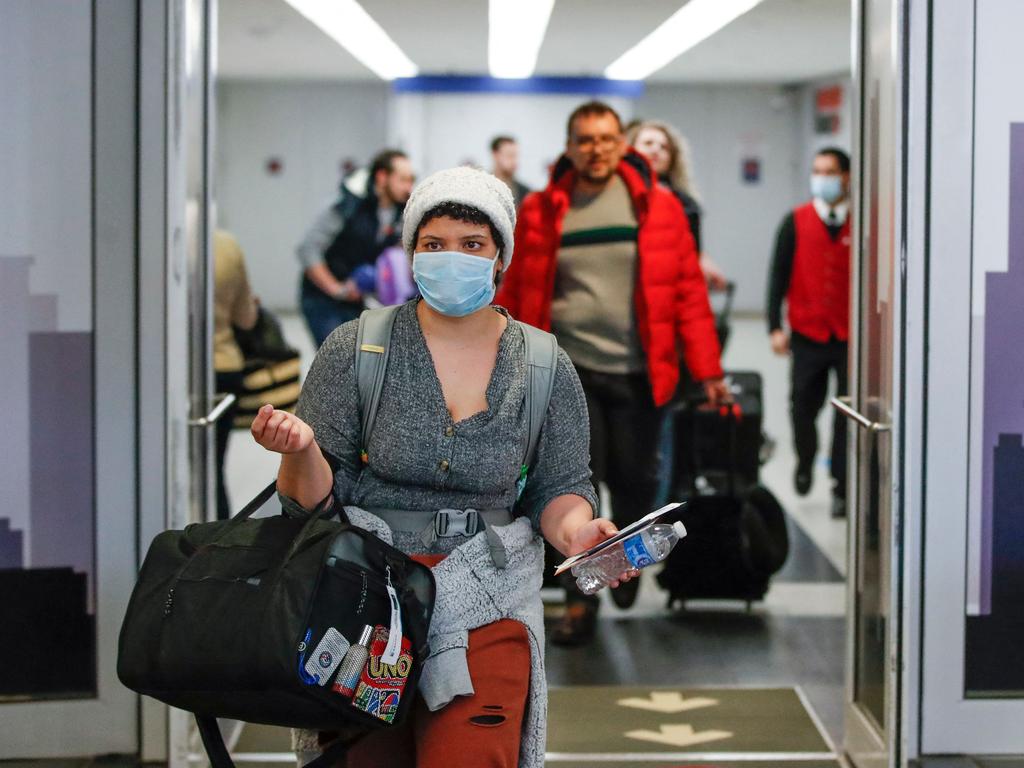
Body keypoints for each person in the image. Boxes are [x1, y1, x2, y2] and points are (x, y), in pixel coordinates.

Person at [251, 166, 635, 767]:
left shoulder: (542, 362)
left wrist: (578, 533)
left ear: (500, 257)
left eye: (472, 244)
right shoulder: (357, 348)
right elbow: (310, 506)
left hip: (489, 600)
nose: (451, 257)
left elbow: (560, 485)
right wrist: (300, 451)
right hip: (366, 604)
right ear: (410, 252)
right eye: (433, 244)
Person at [495, 101, 727, 645]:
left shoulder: (659, 205)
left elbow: (688, 290)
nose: (595, 149)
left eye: (606, 139)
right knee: (577, 486)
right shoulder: (544, 209)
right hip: (567, 373)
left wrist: (709, 369)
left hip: (641, 371)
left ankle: (626, 554)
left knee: (636, 479)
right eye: (585, 139)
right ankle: (582, 599)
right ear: (570, 145)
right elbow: (521, 288)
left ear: (621, 143)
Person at [766, 146, 852, 519]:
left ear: (847, 177)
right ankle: (805, 458)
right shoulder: (795, 221)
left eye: (830, 171)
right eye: (817, 171)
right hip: (807, 331)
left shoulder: (864, 220)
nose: (823, 179)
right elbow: (778, 275)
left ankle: (841, 485)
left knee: (847, 412)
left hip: (851, 335)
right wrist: (774, 325)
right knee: (803, 406)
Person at [296, 149, 414, 347]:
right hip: (322, 299)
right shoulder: (346, 207)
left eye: (411, 180)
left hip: (358, 298)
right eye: (403, 180)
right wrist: (337, 289)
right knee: (335, 356)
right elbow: (308, 250)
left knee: (359, 359)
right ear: (382, 177)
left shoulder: (399, 214)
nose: (408, 187)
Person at [626, 119, 727, 289]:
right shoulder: (617, 195)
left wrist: (703, 260)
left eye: (664, 147)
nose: (655, 149)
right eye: (648, 143)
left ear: (673, 158)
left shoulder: (686, 205)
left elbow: (693, 253)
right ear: (631, 149)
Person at [212, 229, 259, 521]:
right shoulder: (226, 245)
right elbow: (245, 318)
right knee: (213, 466)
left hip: (164, 375)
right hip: (223, 365)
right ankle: (216, 540)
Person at [490, 135, 530, 208]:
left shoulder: (526, 193)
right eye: (510, 155)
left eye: (516, 156)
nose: (514, 162)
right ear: (495, 155)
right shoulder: (480, 188)